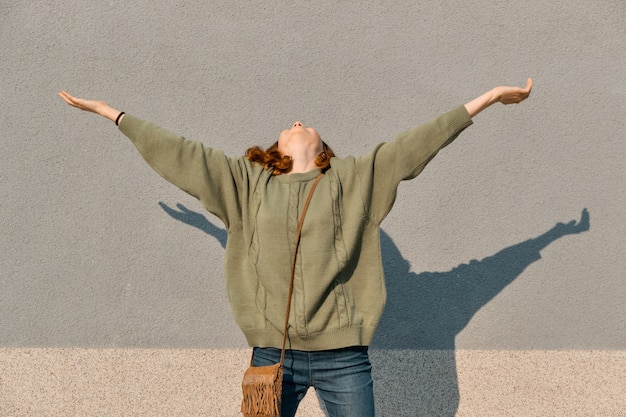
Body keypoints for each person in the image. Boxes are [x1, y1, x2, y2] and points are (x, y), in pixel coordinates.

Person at [58, 78, 532, 417]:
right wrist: (113, 114)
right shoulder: (246, 184)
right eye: (289, 124)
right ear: (276, 148)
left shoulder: (353, 181)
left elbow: (415, 144)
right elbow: (184, 154)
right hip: (272, 356)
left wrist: (486, 99)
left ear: (322, 146)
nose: (298, 120)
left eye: (306, 123)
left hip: (344, 357)